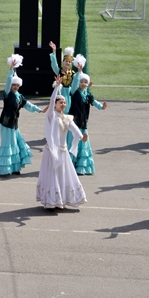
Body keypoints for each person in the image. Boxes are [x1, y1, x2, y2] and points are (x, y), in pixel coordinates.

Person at [35, 78, 88, 210]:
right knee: (52, 175)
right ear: (55, 104)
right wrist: (56, 88)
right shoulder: (51, 116)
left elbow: (75, 130)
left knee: (63, 175)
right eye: (60, 102)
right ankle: (51, 201)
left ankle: (61, 199)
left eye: (64, 102)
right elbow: (51, 101)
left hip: (63, 151)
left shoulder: (67, 118)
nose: (63, 104)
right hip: (52, 151)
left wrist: (82, 137)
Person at [0, 59, 47, 177]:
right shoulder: (7, 94)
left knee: (17, 144)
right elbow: (8, 81)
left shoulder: (20, 96)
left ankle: (15, 167)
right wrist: (11, 70)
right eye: (14, 85)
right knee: (9, 145)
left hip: (14, 125)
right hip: (6, 124)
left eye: (17, 85)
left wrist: (40, 110)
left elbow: (28, 105)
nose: (15, 87)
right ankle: (6, 168)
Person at [67, 58, 107, 175]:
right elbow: (74, 83)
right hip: (74, 122)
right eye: (82, 81)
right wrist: (79, 72)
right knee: (73, 142)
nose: (83, 83)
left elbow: (94, 102)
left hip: (83, 122)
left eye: (85, 82)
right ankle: (70, 166)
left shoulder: (88, 95)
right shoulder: (74, 92)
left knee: (83, 143)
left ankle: (82, 167)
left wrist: (102, 107)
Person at [48, 41, 75, 113]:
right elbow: (54, 64)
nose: (67, 63)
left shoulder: (73, 73)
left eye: (69, 62)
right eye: (66, 61)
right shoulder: (59, 71)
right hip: (60, 91)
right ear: (63, 61)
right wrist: (54, 51)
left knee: (68, 108)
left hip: (69, 93)